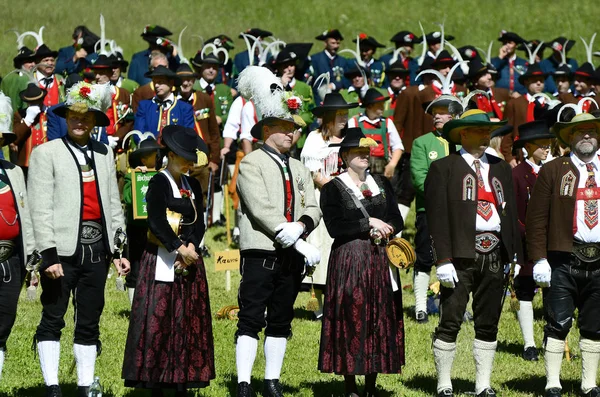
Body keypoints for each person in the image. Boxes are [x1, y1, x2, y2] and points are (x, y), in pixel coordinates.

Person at [27, 82, 130, 397]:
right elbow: (38, 207)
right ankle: (52, 386)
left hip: (97, 249)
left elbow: (112, 203)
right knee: (53, 316)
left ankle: (86, 385)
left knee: (90, 317)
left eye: (85, 117)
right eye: (73, 115)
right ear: (66, 117)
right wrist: (48, 255)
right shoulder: (46, 153)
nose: (79, 121)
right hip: (61, 250)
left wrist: (118, 249)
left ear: (95, 120)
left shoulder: (103, 152)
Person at [234, 66, 321, 397]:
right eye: (285, 128)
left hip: (291, 254)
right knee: (252, 316)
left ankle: (271, 381)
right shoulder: (252, 163)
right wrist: (291, 235)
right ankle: (244, 382)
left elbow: (312, 206)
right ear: (266, 129)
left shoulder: (299, 167)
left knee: (282, 318)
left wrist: (301, 227)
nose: (292, 133)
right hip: (261, 250)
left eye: (295, 129)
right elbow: (260, 207)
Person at [425, 109, 522, 397]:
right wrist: (442, 259)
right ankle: (444, 382)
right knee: (451, 317)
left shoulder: (501, 168)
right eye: (478, 131)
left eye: (487, 131)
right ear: (462, 133)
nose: (485, 136)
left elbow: (511, 214)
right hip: (459, 255)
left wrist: (512, 255)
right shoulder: (444, 168)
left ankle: (483, 384)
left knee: (489, 319)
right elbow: (437, 217)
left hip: (494, 251)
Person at [122, 125, 215, 397]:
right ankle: (158, 380)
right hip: (162, 257)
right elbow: (156, 221)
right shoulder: (158, 181)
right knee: (160, 320)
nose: (188, 163)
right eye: (184, 157)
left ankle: (182, 378)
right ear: (171, 155)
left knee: (187, 319)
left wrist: (191, 248)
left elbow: (200, 221)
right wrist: (177, 248)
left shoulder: (193, 184)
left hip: (189, 259)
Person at [318, 127, 404, 397]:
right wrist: (368, 223)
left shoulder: (382, 182)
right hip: (350, 260)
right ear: (344, 156)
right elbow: (335, 227)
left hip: (380, 258)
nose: (365, 155)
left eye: (367, 150)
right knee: (351, 318)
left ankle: (371, 385)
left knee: (379, 318)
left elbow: (397, 218)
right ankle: (350, 386)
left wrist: (386, 227)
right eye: (358, 151)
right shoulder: (332, 188)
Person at [526, 112, 600, 397]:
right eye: (579, 132)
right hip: (563, 258)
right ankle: (553, 382)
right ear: (569, 137)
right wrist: (539, 258)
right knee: (558, 321)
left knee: (594, 324)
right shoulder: (554, 169)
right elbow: (536, 219)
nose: (586, 137)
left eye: (591, 132)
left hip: (599, 259)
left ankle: (589, 383)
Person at [300, 93, 358, 319]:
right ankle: (321, 305)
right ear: (328, 118)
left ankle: (343, 301)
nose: (344, 118)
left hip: (350, 196)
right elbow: (313, 172)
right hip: (324, 196)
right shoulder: (315, 139)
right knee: (323, 245)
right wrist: (333, 188)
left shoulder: (351, 136)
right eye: (339, 115)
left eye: (345, 114)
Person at [409, 95, 457, 323]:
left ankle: (454, 306)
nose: (436, 115)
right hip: (429, 210)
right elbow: (420, 179)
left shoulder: (462, 142)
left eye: (442, 111)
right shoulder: (422, 142)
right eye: (434, 112)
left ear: (454, 114)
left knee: (457, 257)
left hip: (460, 211)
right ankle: (420, 307)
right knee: (425, 256)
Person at [511, 120, 555, 362]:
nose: (547, 149)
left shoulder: (554, 170)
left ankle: (552, 338)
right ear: (528, 147)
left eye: (549, 144)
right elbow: (515, 213)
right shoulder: (517, 175)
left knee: (554, 291)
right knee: (525, 291)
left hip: (554, 241)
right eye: (542, 145)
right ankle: (529, 344)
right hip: (527, 241)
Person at [0, 92, 35, 380]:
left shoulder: (13, 172)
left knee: (4, 321)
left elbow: (25, 215)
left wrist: (31, 261)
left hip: (10, 261)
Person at [121, 134, 161, 303]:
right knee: (135, 267)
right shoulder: (132, 176)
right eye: (154, 154)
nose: (158, 157)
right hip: (136, 229)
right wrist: (139, 180)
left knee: (155, 267)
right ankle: (133, 307)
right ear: (144, 159)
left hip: (155, 229)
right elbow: (129, 198)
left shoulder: (161, 174)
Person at [348, 88, 404, 178]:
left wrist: (392, 164)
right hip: (360, 168)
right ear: (369, 106)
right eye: (379, 104)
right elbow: (347, 147)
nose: (383, 107)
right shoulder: (354, 122)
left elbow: (398, 146)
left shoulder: (387, 122)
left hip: (383, 168)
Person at [501, 63, 550, 165]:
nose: (538, 83)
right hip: (522, 155)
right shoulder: (515, 103)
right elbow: (507, 133)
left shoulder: (549, 103)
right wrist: (509, 157)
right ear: (526, 81)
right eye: (534, 80)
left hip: (547, 154)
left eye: (541, 80)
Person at [134, 66, 194, 139]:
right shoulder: (144, 106)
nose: (156, 85)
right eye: (154, 82)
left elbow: (188, 135)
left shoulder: (185, 108)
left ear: (171, 83)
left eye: (160, 82)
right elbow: (139, 133)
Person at [191, 52, 234, 128]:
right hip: (198, 131)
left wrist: (221, 119)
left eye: (214, 68)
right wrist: (209, 117)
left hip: (219, 134)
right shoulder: (193, 87)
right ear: (202, 68)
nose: (211, 70)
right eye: (208, 67)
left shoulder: (224, 89)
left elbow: (232, 112)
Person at [310, 29, 349, 101]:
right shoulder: (315, 59)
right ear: (325, 43)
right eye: (333, 43)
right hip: (320, 99)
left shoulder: (342, 61)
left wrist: (334, 85)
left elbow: (347, 79)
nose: (336, 46)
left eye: (338, 43)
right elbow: (312, 81)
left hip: (339, 99)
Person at [491, 31, 528, 95]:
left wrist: (521, 93)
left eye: (510, 43)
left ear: (516, 45)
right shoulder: (495, 61)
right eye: (504, 43)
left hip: (519, 96)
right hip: (500, 96)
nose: (507, 45)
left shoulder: (524, 63)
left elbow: (529, 82)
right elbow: (491, 71)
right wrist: (500, 57)